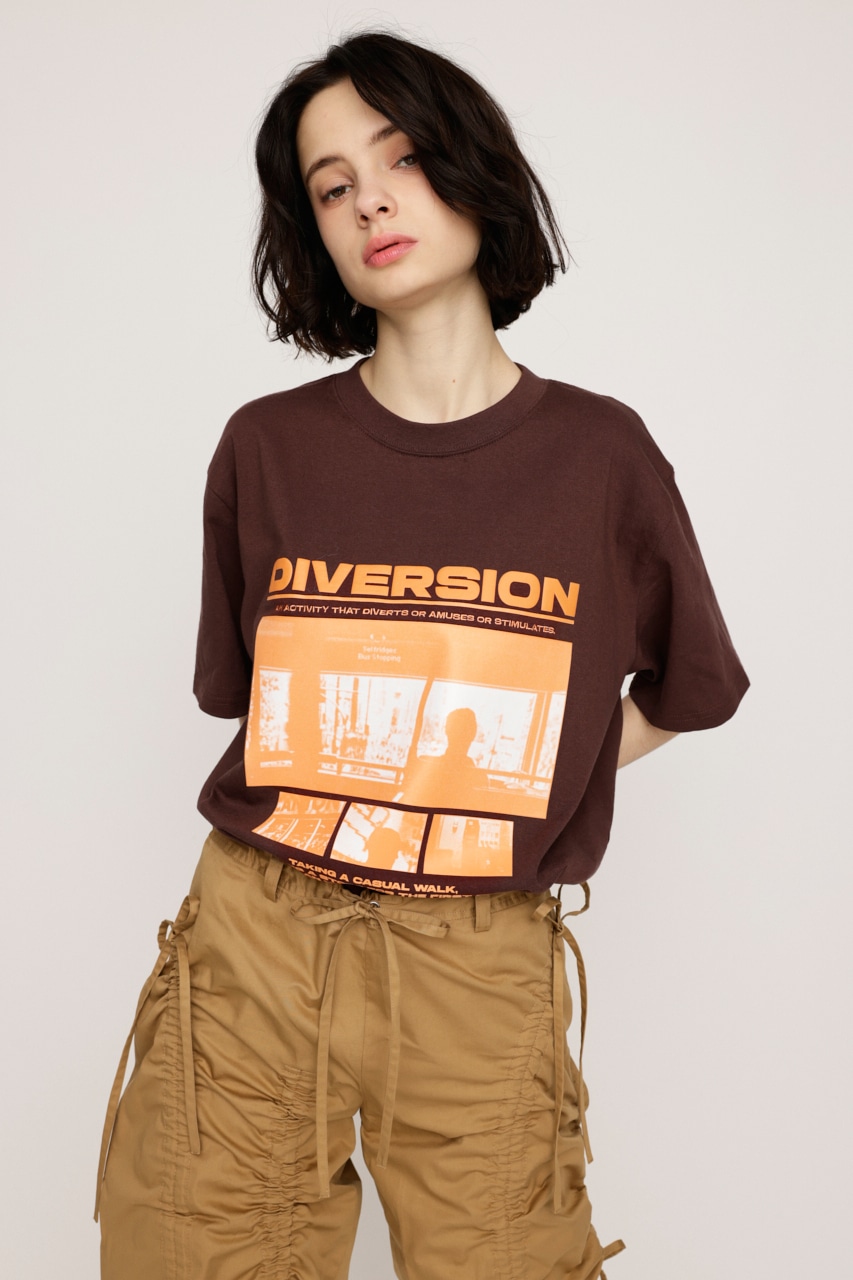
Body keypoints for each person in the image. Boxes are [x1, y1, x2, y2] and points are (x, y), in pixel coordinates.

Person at [95, 30, 749, 1280]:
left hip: (476, 951)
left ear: (471, 171)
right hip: (257, 935)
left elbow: (693, 685)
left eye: (398, 158)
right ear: (314, 232)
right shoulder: (267, 446)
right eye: (332, 185)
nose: (370, 201)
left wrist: (539, 768)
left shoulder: (599, 454)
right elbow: (242, 695)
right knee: (187, 1252)